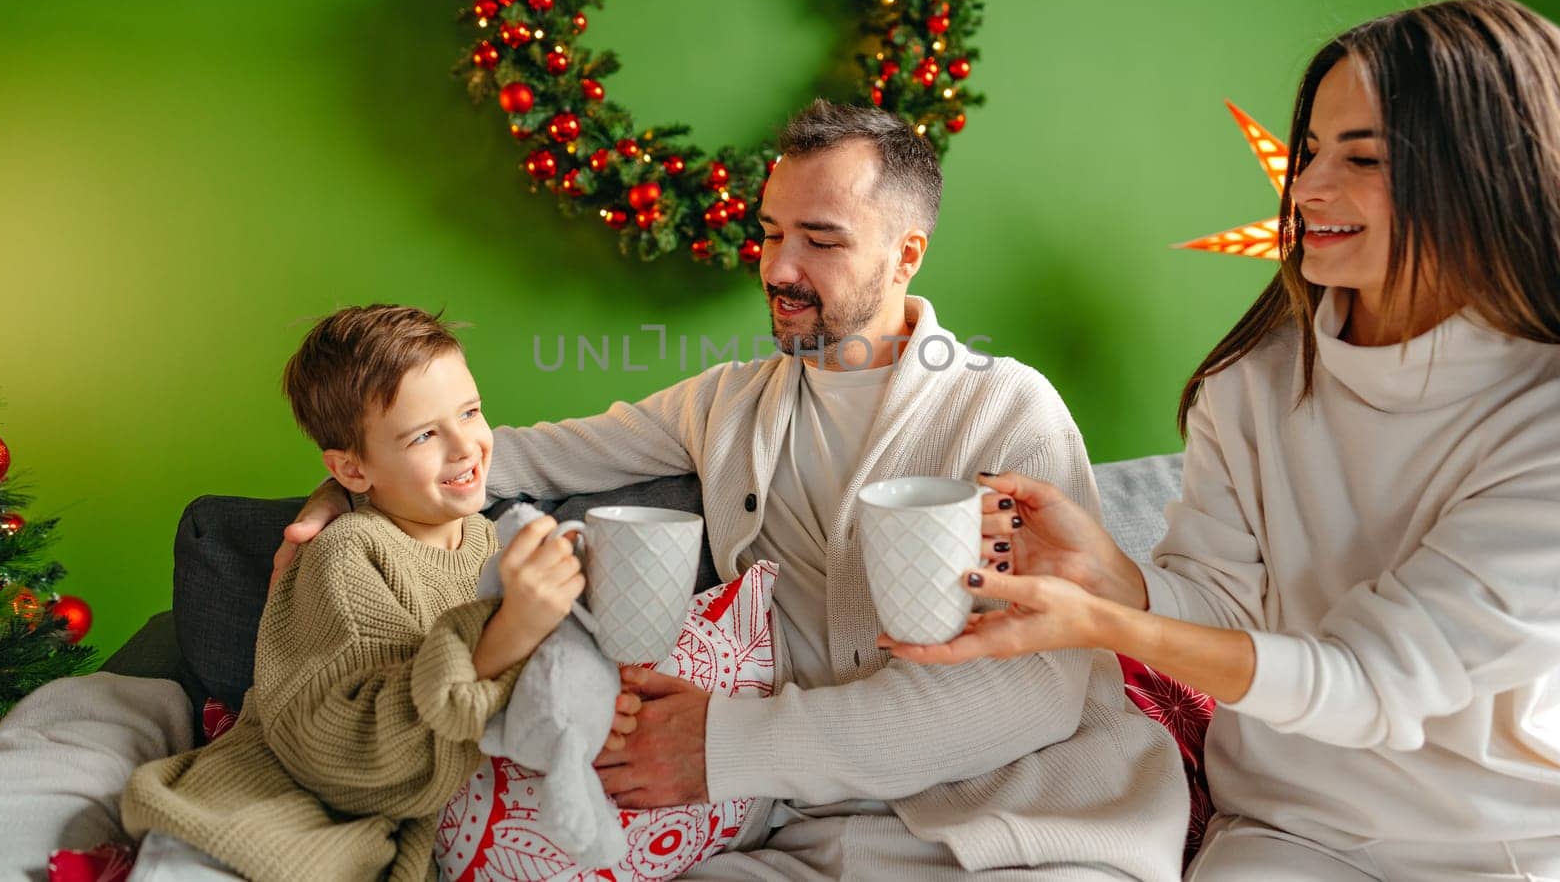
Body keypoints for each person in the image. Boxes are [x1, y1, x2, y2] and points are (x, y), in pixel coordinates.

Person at [284, 101, 1190, 880]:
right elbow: (509, 457)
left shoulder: (1004, 413)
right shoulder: (724, 405)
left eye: (821, 240)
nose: (778, 268)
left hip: (1029, 822)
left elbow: (1033, 692)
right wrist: (346, 490)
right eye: (769, 232)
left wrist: (726, 745)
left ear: (907, 251)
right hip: (806, 833)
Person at [883, 0, 1560, 880]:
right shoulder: (1257, 379)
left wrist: (1104, 621)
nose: (1308, 187)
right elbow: (1227, 601)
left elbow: (1371, 682)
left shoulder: (1539, 420)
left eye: (1362, 158)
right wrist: (1112, 575)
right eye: (1311, 149)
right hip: (1286, 828)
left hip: (1500, 845)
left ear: (1482, 178)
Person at [119, 305, 636, 881]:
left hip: (408, 818)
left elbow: (527, 689)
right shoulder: (348, 555)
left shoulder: (489, 540)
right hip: (270, 809)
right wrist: (509, 632)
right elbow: (338, 745)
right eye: (424, 435)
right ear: (352, 470)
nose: (466, 447)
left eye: (471, 411)